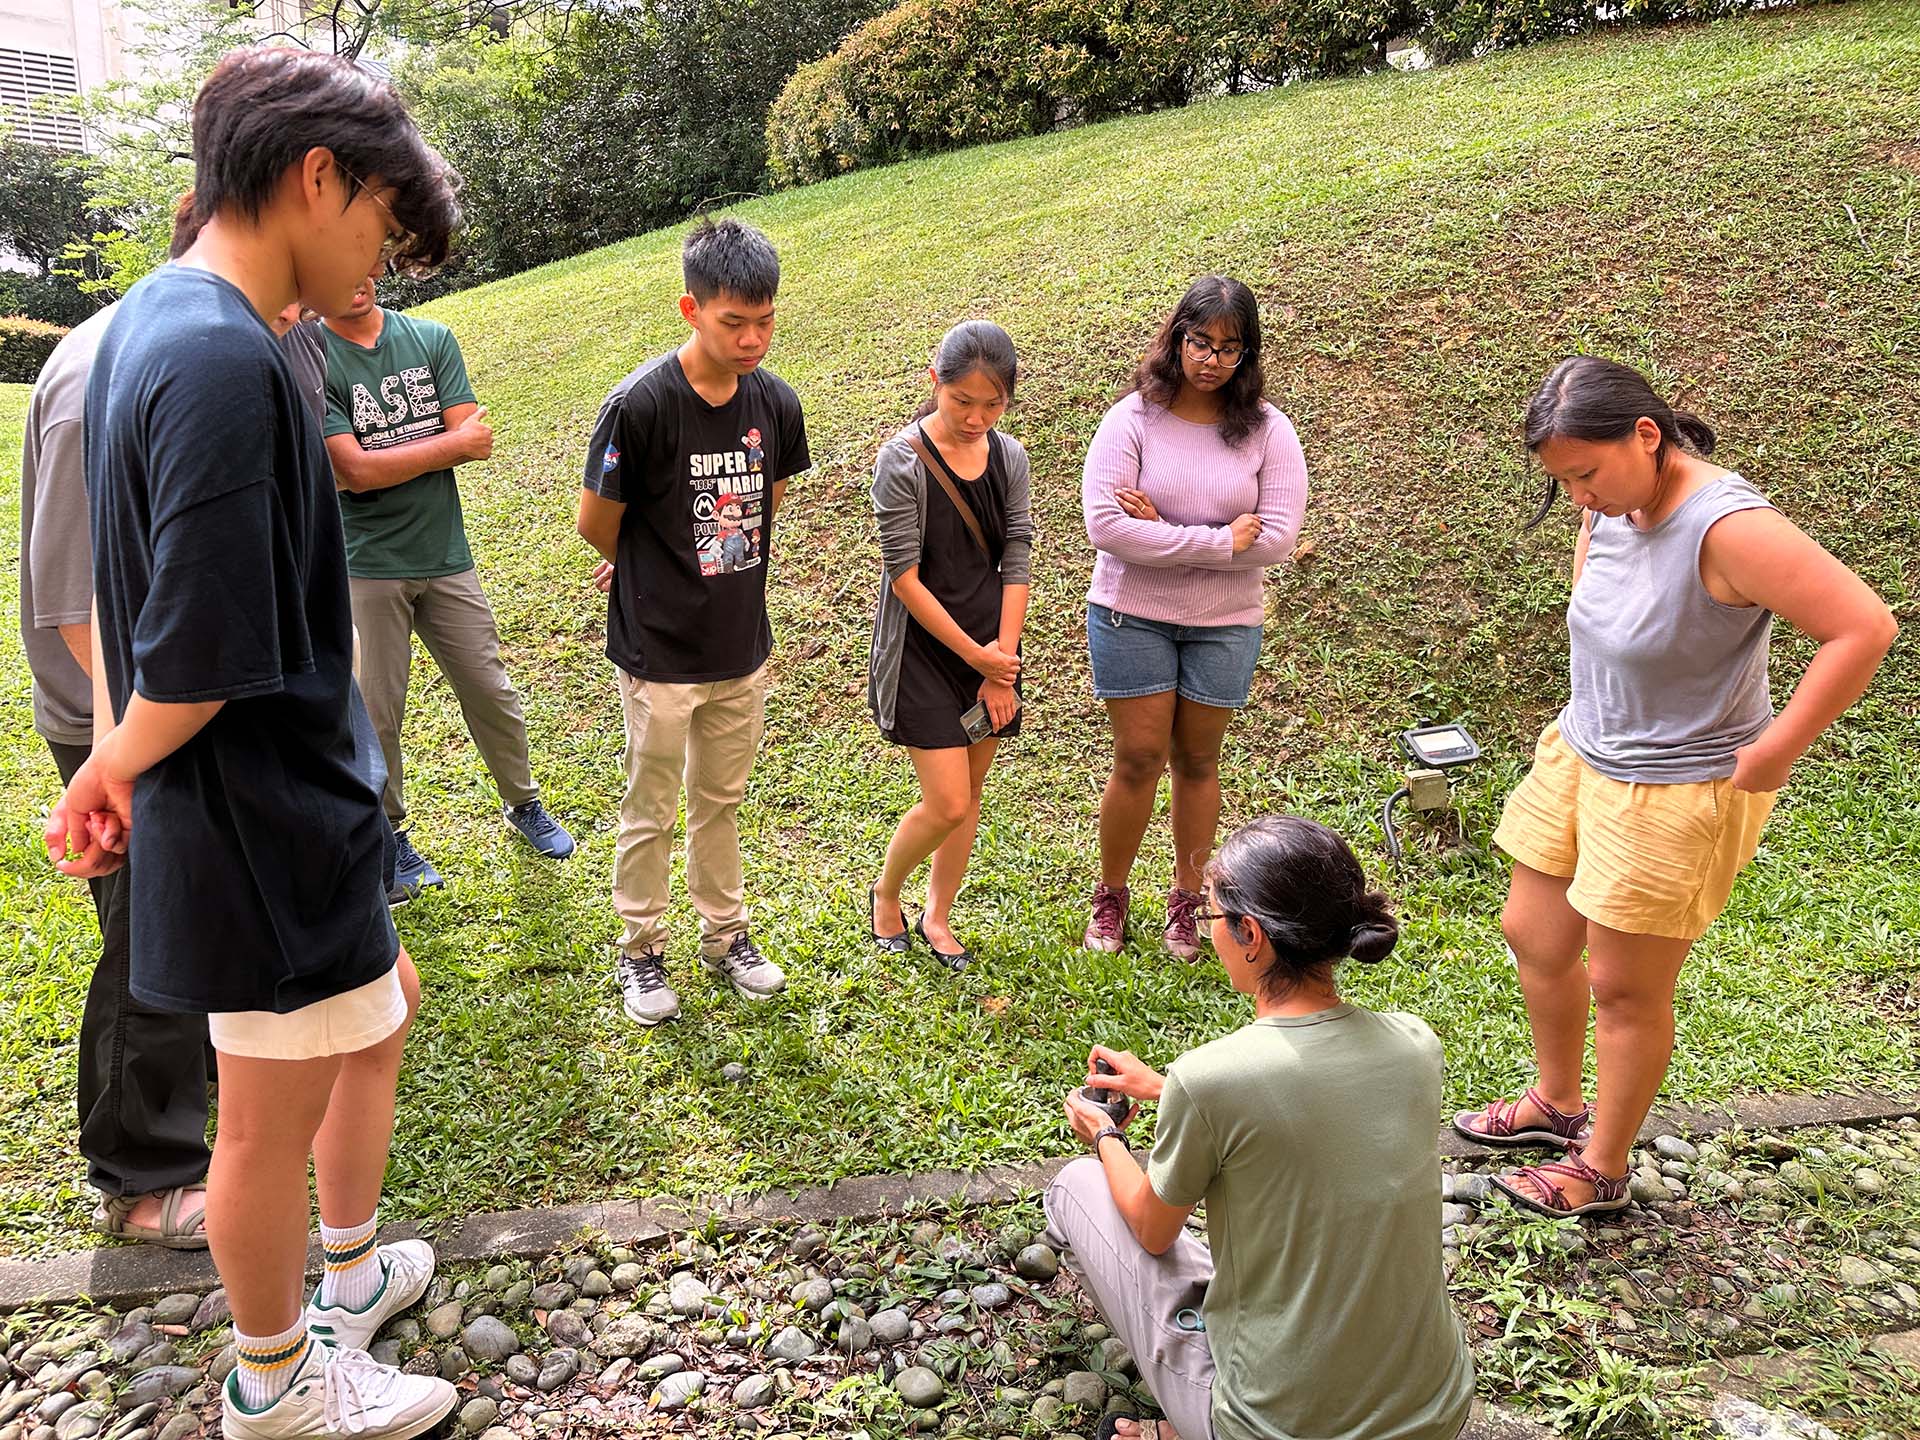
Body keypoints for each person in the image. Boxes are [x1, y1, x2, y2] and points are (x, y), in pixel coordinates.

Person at [46, 47, 464, 1439]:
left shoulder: (156, 321)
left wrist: (114, 757)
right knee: (263, 1122)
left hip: (274, 798)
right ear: (315, 173)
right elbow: (205, 653)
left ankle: (342, 1281)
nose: (376, 264)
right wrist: (118, 768)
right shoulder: (225, 359)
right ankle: (278, 1380)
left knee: (380, 1010)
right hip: (262, 809)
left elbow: (126, 594)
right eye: (378, 226)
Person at [1457, 357, 1898, 1217]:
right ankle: (1556, 1103)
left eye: (1585, 474)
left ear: (1647, 436)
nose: (1577, 498)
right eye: (1564, 480)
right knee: (1535, 932)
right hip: (1584, 753)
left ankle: (1603, 1166)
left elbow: (1863, 626)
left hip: (1676, 787)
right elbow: (1603, 606)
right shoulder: (1611, 504)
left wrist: (1775, 751)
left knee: (1625, 985)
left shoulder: (1728, 526)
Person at [15, 197, 337, 1251]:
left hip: (181, 702)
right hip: (116, 701)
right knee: (149, 935)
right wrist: (125, 755)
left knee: (204, 924)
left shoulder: (252, 338)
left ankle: (225, 1108)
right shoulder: (106, 372)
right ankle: (142, 1172)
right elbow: (79, 606)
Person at [1047, 816, 1475, 1440]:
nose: (1206, 932)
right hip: (1435, 1410)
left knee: (1078, 1187)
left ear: (1251, 935)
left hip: (1272, 1427)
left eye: (1211, 917)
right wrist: (1167, 1090)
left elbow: (1153, 1229)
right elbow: (1312, 1110)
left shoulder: (1212, 1079)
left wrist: (1104, 1136)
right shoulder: (1415, 1044)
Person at [578, 217, 809, 1026]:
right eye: (733, 321)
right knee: (652, 807)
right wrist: (642, 561)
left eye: (766, 319)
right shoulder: (640, 404)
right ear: (691, 309)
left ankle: (726, 935)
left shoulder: (776, 402)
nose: (753, 338)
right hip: (657, 651)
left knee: (721, 800)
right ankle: (639, 950)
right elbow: (595, 521)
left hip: (739, 648)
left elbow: (770, 501)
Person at [322, 266, 574, 900]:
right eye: (341, 269)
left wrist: (409, 456)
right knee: (377, 713)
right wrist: (444, 445)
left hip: (446, 555)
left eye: (366, 266)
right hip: (366, 562)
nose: (359, 279)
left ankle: (523, 803)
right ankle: (389, 837)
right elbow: (352, 471)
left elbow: (478, 439)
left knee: (490, 687)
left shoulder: (431, 338)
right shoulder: (313, 359)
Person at [1080, 276, 1307, 961]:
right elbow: (1106, 527)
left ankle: (1186, 901)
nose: (1211, 358)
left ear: (1248, 355)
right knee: (1139, 758)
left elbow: (1277, 538)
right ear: (1175, 339)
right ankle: (1112, 896)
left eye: (1229, 348)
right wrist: (1217, 541)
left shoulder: (1268, 430)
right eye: (1199, 341)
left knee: (1198, 760)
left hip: (1225, 623)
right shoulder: (1132, 420)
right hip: (1132, 614)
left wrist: (1166, 534)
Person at [867, 321, 1032, 970]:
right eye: (962, 400)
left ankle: (937, 915)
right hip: (923, 655)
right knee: (948, 800)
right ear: (933, 382)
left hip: (992, 652)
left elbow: (1017, 557)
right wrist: (978, 658)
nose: (976, 417)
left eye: (992, 405)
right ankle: (885, 892)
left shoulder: (1009, 457)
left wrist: (1001, 665)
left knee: (973, 789)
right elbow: (903, 579)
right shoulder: (900, 461)